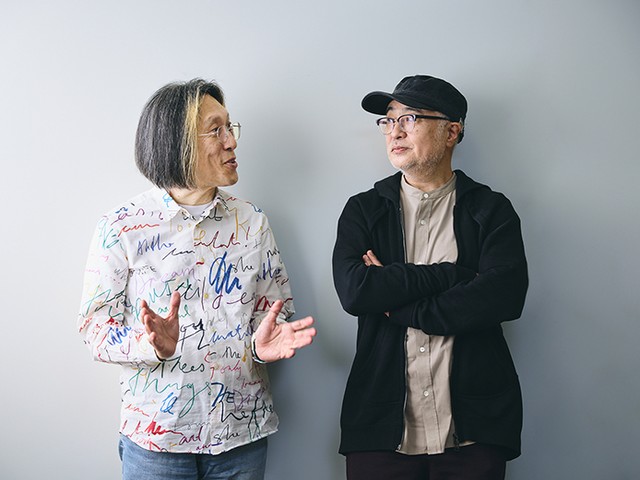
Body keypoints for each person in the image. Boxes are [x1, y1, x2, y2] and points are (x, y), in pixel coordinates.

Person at [78, 78, 316, 480]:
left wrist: (261, 347)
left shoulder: (253, 222)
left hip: (241, 438)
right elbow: (93, 327)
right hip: (158, 442)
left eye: (230, 128)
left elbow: (272, 316)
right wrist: (150, 345)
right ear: (177, 142)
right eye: (215, 130)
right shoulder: (121, 227)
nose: (231, 142)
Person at [332, 75, 528, 479]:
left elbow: (504, 296)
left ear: (451, 132)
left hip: (473, 433)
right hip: (381, 433)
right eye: (389, 121)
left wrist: (399, 306)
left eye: (410, 118)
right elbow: (355, 292)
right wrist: (453, 276)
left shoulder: (491, 210)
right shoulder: (364, 210)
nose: (395, 131)